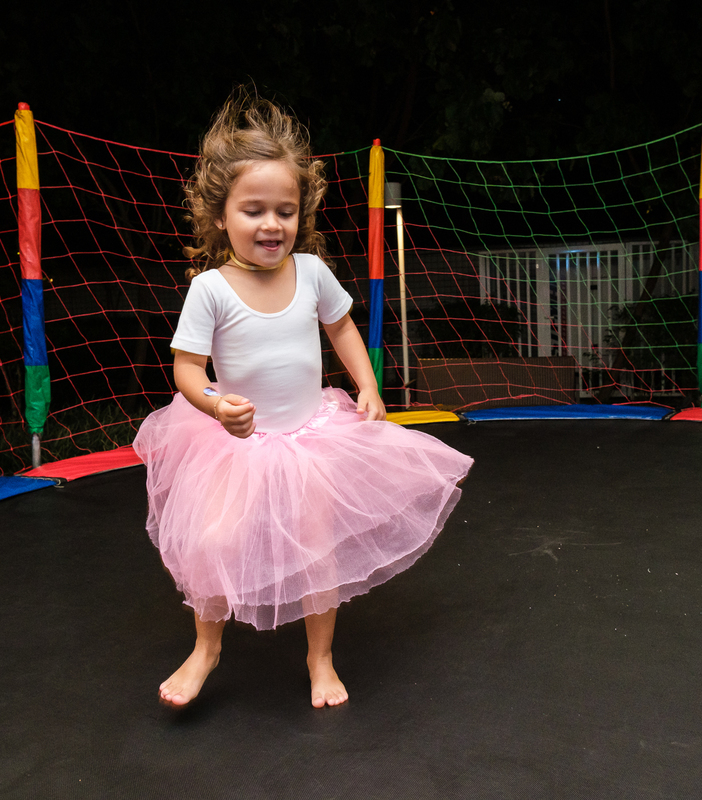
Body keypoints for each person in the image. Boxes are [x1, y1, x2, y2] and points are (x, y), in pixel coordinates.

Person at [133, 90, 473, 710]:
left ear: (301, 214)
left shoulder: (311, 271)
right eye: (254, 210)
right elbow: (186, 369)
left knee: (317, 550)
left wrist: (367, 385)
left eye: (285, 211)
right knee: (212, 542)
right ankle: (206, 648)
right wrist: (215, 405)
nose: (272, 224)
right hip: (236, 443)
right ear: (221, 216)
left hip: (311, 437)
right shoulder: (210, 289)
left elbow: (341, 328)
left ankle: (320, 657)